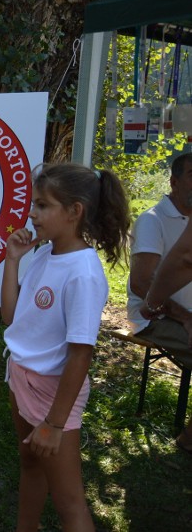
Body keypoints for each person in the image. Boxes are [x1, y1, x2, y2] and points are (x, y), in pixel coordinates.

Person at [1, 163, 129, 531]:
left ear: (74, 212)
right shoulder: (43, 254)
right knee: (29, 463)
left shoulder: (83, 272)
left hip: (52, 392)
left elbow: (81, 353)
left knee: (69, 500)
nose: (32, 214)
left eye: (43, 206)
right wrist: (13, 261)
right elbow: (12, 316)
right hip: (21, 374)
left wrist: (54, 423)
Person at [131, 153, 192, 452]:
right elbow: (142, 285)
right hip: (154, 319)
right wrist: (185, 318)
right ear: (174, 181)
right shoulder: (153, 220)